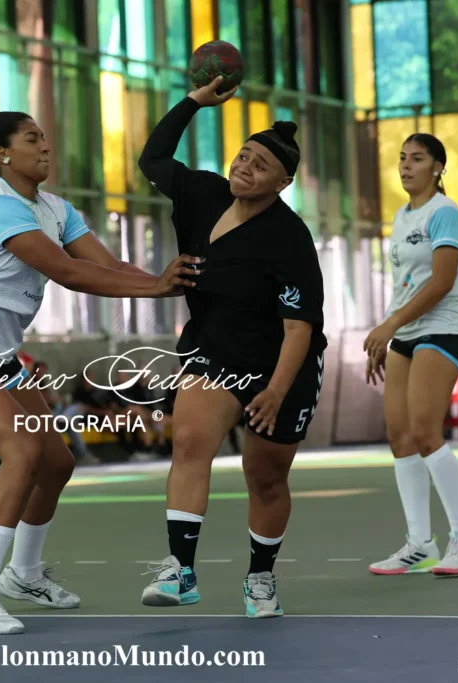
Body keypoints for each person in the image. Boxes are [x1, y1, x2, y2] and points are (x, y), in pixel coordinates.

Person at [0, 110, 199, 635]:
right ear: (3, 155)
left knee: (56, 462)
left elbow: (107, 267)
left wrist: (170, 281)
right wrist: (154, 287)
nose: (45, 146)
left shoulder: (55, 209)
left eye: (44, 137)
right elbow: (66, 272)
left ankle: (23, 574)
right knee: (20, 450)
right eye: (32, 138)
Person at [136, 76, 327, 618]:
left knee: (265, 477)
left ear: (282, 182)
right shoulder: (203, 193)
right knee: (189, 441)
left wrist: (275, 391)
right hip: (213, 349)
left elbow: (299, 329)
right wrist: (193, 102)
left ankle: (260, 578)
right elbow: (153, 159)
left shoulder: (289, 239)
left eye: (260, 165)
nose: (245, 167)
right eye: (243, 155)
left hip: (280, 364)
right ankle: (181, 571)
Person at [363, 133, 458, 576]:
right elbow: (404, 285)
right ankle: (420, 544)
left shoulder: (444, 212)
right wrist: (386, 334)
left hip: (442, 331)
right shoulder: (401, 216)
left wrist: (389, 324)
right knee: (400, 437)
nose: (406, 165)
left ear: (437, 167)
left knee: (425, 432)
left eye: (417, 159)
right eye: (402, 158)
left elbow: (440, 282)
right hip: (405, 334)